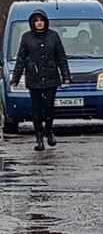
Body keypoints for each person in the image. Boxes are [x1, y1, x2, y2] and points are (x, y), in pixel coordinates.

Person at [10, 10, 71, 151]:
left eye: (41, 20)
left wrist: (66, 76)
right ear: (32, 22)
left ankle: (49, 131)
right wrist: (16, 78)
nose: (39, 23)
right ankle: (38, 137)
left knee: (49, 106)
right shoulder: (26, 38)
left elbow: (61, 57)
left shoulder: (53, 36)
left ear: (45, 22)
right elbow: (21, 59)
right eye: (36, 20)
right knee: (37, 109)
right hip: (34, 77)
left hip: (51, 77)